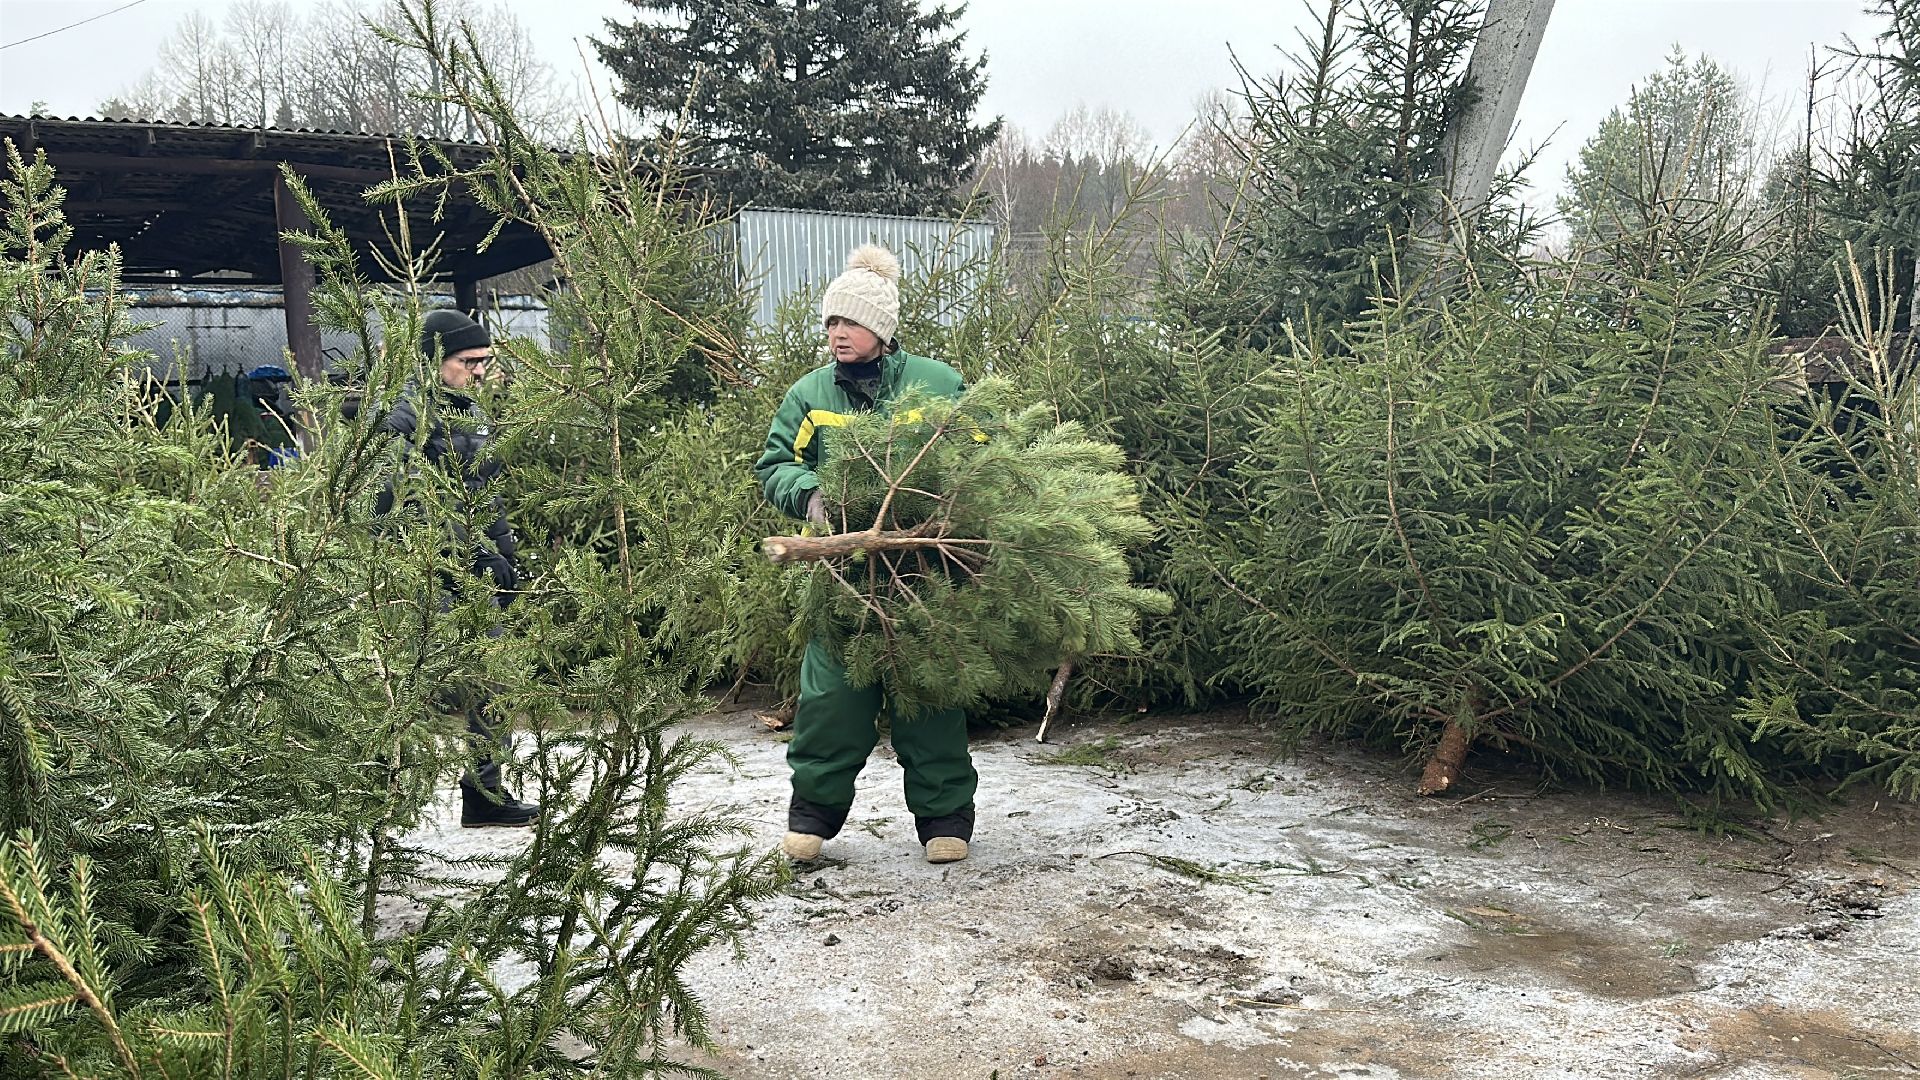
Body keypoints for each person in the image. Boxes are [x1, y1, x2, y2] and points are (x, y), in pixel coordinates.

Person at [752, 245, 977, 865]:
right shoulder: (811, 393)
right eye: (829, 323)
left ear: (879, 328)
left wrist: (951, 510)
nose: (836, 334)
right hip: (843, 579)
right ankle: (811, 822)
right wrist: (812, 498)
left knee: (928, 698)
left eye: (848, 323)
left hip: (921, 574)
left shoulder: (937, 383)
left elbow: (982, 455)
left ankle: (944, 821)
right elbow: (775, 465)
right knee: (832, 702)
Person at [379, 308, 539, 828]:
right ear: (434, 359)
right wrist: (460, 555)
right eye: (468, 361)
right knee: (410, 688)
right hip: (422, 577)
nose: (478, 371)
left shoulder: (469, 412)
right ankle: (376, 799)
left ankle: (484, 795)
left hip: (471, 573)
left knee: (494, 679)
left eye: (483, 362)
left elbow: (484, 496)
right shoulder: (402, 413)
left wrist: (504, 560)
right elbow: (394, 499)